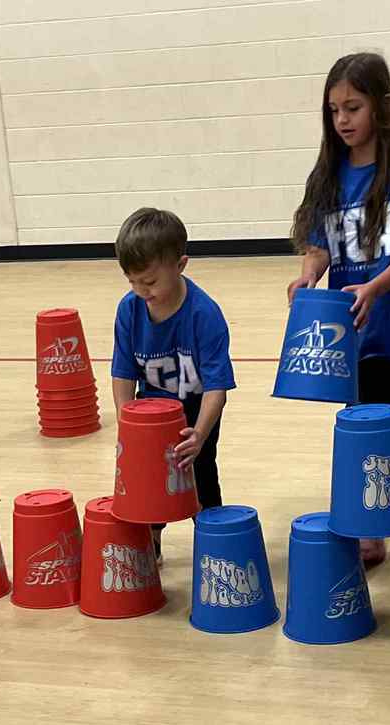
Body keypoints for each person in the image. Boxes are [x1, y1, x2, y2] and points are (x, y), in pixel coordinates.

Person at [287, 52, 390, 568]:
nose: (342, 119)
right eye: (334, 110)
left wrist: (376, 285)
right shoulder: (330, 171)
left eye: (353, 107)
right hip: (349, 326)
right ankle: (376, 513)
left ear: (380, 106)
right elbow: (321, 243)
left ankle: (374, 526)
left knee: (367, 414)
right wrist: (309, 273)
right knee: (362, 417)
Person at [111, 208, 236, 564]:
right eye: (132, 281)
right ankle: (150, 541)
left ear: (180, 265)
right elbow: (122, 372)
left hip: (196, 411)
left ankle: (214, 545)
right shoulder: (129, 310)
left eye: (149, 282)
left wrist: (199, 434)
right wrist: (126, 420)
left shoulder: (204, 314)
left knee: (201, 474)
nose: (141, 291)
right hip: (148, 411)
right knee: (148, 481)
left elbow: (217, 389)